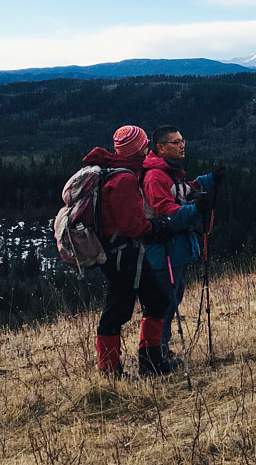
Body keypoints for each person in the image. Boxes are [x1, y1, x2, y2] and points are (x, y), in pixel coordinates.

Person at [82, 125, 175, 377]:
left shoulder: (113, 170)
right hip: (123, 254)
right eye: (145, 145)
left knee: (157, 300)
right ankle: (113, 372)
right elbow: (131, 225)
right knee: (117, 312)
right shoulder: (124, 179)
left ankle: (150, 363)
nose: (148, 149)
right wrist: (156, 227)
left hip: (123, 252)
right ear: (138, 149)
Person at [142, 125, 224, 365]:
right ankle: (154, 356)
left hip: (176, 251)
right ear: (161, 147)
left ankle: (160, 352)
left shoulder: (168, 172)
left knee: (171, 301)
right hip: (164, 252)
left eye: (182, 140)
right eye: (176, 142)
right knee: (163, 306)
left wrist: (208, 181)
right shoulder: (155, 176)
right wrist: (196, 210)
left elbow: (183, 190)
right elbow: (165, 213)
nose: (182, 145)